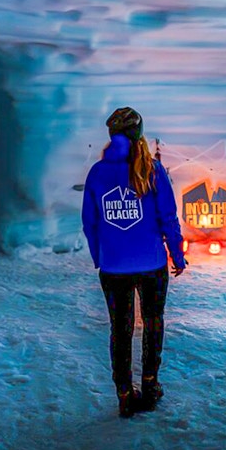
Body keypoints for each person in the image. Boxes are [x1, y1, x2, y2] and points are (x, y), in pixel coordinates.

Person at [82, 107, 186, 418]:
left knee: (121, 328)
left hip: (114, 268)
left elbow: (90, 222)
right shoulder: (153, 169)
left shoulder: (97, 173)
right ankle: (151, 384)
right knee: (153, 322)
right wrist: (177, 255)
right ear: (139, 134)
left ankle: (125, 393)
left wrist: (100, 256)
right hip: (151, 263)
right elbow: (168, 218)